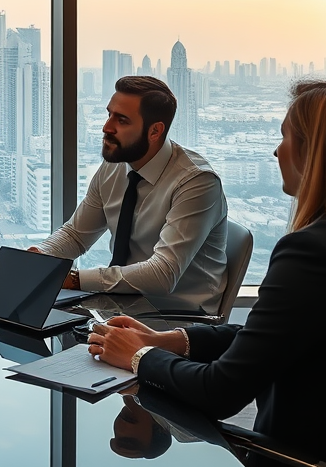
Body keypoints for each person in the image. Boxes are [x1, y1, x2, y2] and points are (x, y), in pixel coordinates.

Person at [88, 81, 326, 467]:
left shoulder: (311, 253)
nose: (277, 151)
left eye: (285, 137)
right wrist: (170, 341)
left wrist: (138, 357)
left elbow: (219, 392)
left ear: (317, 154)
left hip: (297, 465)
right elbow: (275, 336)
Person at [31, 76, 228, 312]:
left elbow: (162, 274)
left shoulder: (197, 183)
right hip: (120, 306)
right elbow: (76, 235)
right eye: (109, 114)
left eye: (122, 120)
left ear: (155, 131)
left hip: (177, 320)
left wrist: (74, 280)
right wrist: (40, 257)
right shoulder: (116, 163)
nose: (107, 127)